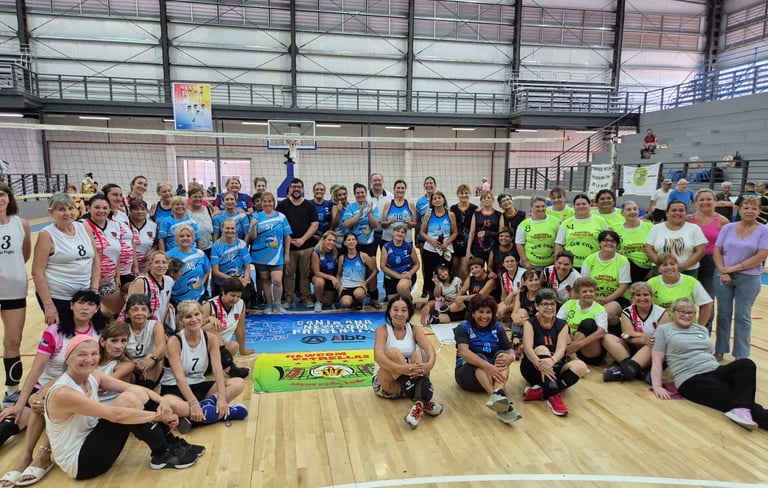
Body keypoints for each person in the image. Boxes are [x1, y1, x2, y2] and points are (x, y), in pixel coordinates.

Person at [44, 335, 202, 480]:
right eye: (82, 354)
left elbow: (134, 388)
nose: (89, 359)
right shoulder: (62, 392)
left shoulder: (93, 375)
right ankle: (162, 453)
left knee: (134, 394)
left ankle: (171, 444)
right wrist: (158, 416)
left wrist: (163, 402)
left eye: (94, 354)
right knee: (126, 401)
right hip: (80, 462)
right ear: (68, 358)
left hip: (93, 439)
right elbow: (116, 415)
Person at [0, 290, 107, 487]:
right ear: (71, 306)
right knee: (11, 422)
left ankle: (43, 455)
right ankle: (25, 456)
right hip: (43, 387)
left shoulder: (100, 331)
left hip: (74, 387)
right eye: (81, 303)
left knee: (52, 406)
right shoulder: (54, 331)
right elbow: (36, 370)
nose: (85, 308)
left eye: (91, 304)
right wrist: (19, 404)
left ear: (97, 309)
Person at [651, 298, 768, 431]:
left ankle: (741, 409)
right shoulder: (663, 330)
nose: (686, 315)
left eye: (690, 312)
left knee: (746, 364)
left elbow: (707, 353)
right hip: (691, 380)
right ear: (673, 312)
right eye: (682, 312)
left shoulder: (701, 329)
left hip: (715, 371)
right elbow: (656, 360)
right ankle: (743, 410)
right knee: (736, 399)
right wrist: (657, 387)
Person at [159, 301, 247, 427]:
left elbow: (217, 370)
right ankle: (221, 413)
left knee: (238, 383)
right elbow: (179, 378)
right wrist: (193, 403)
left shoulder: (211, 338)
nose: (194, 319)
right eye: (188, 317)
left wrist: (222, 398)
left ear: (202, 315)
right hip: (175, 388)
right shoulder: (175, 341)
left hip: (200, 385)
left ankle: (198, 416)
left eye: (196, 314)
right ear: (181, 321)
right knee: (168, 403)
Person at [372, 295, 443, 429]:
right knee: (393, 352)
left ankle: (418, 405)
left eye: (404, 310)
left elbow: (430, 351)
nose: (399, 314)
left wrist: (428, 366)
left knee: (421, 353)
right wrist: (402, 369)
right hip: (388, 384)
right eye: (395, 310)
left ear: (409, 312)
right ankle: (424, 400)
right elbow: (378, 356)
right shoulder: (383, 329)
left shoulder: (415, 329)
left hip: (410, 383)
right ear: (389, 312)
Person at [32, 193, 99, 328]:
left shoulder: (84, 227)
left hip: (84, 296)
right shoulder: (46, 235)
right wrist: (48, 305)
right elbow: (37, 272)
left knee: (88, 333)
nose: (68, 213)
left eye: (71, 208)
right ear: (51, 212)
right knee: (63, 334)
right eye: (62, 209)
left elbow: (96, 259)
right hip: (58, 297)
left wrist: (94, 290)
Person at [713, 195, 768, 360]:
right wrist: (723, 271)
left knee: (742, 316)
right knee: (723, 313)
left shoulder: (764, 230)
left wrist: (732, 269)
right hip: (723, 276)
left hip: (748, 279)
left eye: (754, 208)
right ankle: (720, 350)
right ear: (740, 209)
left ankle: (741, 355)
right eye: (746, 208)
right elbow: (717, 251)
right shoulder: (727, 227)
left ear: (759, 211)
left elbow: (761, 256)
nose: (749, 211)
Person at [453, 294, 521, 424]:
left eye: (488, 312)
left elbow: (510, 349)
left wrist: (511, 357)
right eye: (481, 312)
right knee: (479, 357)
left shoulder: (498, 327)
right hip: (468, 376)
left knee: (502, 355)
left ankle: (498, 392)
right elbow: (464, 353)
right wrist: (487, 366)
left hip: (492, 376)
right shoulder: (463, 328)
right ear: (473, 313)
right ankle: (495, 395)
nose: (485, 316)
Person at [520, 289, 587, 416]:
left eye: (552, 304)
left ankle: (542, 392)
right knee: (541, 348)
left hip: (554, 365)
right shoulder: (530, 323)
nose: (549, 307)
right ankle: (553, 396)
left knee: (581, 366)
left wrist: (551, 361)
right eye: (545, 304)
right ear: (537, 306)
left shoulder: (562, 324)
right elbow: (528, 349)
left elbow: (561, 349)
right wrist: (542, 364)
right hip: (533, 367)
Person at [0, 183, 31, 408]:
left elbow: (25, 254)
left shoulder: (22, 224)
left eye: (2, 194)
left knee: (13, 341)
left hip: (14, 291)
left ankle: (12, 391)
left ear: (9, 198)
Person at [602, 282, 669, 382]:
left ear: (651, 296)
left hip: (652, 352)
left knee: (653, 343)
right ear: (633, 297)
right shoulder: (627, 311)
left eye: (646, 294)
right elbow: (627, 335)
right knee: (606, 337)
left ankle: (624, 371)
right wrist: (643, 338)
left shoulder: (662, 313)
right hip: (632, 348)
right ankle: (638, 372)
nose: (642, 298)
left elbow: (658, 339)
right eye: (638, 295)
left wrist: (638, 337)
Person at [689, 189, 729, 331]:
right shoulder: (687, 220)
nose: (705, 202)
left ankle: (704, 333)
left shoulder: (723, 221)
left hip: (711, 262)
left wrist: (724, 269)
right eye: (702, 199)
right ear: (696, 202)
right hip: (689, 261)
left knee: (707, 299)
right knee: (685, 298)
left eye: (708, 199)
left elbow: (727, 247)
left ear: (715, 201)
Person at [277, 178, 319, 310]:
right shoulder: (282, 205)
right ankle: (289, 298)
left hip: (306, 246)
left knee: (305, 274)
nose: (296, 189)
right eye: (293, 187)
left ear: (303, 189)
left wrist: (302, 239)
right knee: (288, 274)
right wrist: (289, 239)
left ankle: (306, 297)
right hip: (288, 247)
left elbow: (314, 225)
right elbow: (279, 224)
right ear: (289, 189)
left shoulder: (309, 206)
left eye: (299, 187)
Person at [580, 230, 631, 334]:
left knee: (604, 313)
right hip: (593, 297)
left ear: (617, 245)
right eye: (605, 240)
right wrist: (593, 298)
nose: (609, 243)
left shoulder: (623, 260)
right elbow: (584, 284)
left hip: (617, 298)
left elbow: (623, 287)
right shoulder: (589, 259)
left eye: (613, 241)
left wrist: (606, 299)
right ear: (599, 243)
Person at [248, 192, 291, 314]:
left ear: (273, 202)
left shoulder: (281, 217)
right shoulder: (256, 217)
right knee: (265, 279)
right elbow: (252, 237)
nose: (267, 203)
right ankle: (269, 304)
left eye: (269, 201)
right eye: (264, 201)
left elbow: (287, 237)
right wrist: (252, 227)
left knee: (277, 280)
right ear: (261, 203)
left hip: (277, 255)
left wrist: (286, 254)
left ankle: (278, 304)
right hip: (260, 254)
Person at [201, 278, 253, 377]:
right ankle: (229, 366)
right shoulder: (209, 305)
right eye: (232, 295)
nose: (235, 299)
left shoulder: (240, 304)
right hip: (202, 347)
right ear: (223, 292)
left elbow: (240, 328)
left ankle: (211, 367)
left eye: (238, 296)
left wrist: (243, 350)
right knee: (212, 326)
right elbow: (192, 328)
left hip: (218, 349)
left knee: (234, 346)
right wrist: (208, 319)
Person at [647, 253, 713, 326]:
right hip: (661, 327)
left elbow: (707, 304)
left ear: (677, 266)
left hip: (687, 328)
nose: (669, 267)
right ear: (659, 269)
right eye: (664, 265)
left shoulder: (691, 282)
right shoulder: (651, 283)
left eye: (672, 264)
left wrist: (700, 327)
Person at [343, 183, 381, 308]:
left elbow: (376, 225)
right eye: (357, 193)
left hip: (368, 245)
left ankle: (374, 297)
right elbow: (347, 224)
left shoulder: (373, 206)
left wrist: (369, 214)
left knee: (372, 270)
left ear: (366, 193)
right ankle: (355, 297)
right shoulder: (351, 207)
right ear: (355, 194)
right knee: (355, 271)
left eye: (362, 192)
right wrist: (359, 215)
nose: (360, 195)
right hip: (354, 245)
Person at [646, 200, 707, 278]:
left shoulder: (694, 228)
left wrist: (682, 267)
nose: (677, 213)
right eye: (674, 210)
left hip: (688, 272)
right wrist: (663, 265)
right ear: (667, 213)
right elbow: (648, 249)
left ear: (686, 213)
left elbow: (701, 251)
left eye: (681, 210)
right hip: (661, 271)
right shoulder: (656, 228)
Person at [426, 258, 496, 325]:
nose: (474, 270)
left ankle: (442, 311)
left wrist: (462, 298)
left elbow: (479, 296)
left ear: (483, 268)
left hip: (486, 306)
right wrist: (458, 298)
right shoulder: (471, 278)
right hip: (473, 305)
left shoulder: (490, 281)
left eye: (476, 267)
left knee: (463, 305)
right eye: (472, 269)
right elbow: (462, 290)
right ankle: (436, 318)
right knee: (461, 312)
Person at [557, 278, 609, 366]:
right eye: (584, 291)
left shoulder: (600, 309)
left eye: (591, 291)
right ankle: (575, 359)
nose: (589, 294)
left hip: (588, 350)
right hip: (570, 346)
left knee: (588, 323)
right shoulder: (569, 304)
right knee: (562, 326)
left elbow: (601, 332)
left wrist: (578, 344)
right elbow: (557, 324)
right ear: (578, 293)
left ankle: (570, 357)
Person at [124, 250, 175, 333]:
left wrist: (160, 327)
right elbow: (132, 308)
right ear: (150, 264)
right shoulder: (141, 281)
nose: (161, 266)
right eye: (157, 262)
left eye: (164, 262)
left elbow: (165, 306)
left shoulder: (169, 281)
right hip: (138, 326)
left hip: (156, 326)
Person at [419, 191, 457, 300]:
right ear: (431, 202)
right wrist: (431, 240)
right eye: (434, 198)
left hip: (445, 249)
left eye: (439, 198)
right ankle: (432, 297)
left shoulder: (450, 214)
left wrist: (447, 243)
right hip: (430, 249)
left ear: (444, 200)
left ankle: (446, 298)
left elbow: (455, 232)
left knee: (445, 273)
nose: (437, 200)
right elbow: (422, 232)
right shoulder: (428, 215)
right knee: (430, 275)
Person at [123, 294, 166, 389]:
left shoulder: (155, 325)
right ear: (127, 313)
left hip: (151, 365)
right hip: (131, 364)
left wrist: (151, 360)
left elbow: (162, 346)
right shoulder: (123, 328)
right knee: (124, 366)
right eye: (135, 309)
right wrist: (134, 365)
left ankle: (148, 388)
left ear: (149, 313)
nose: (139, 313)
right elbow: (119, 352)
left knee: (152, 356)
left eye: (144, 309)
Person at [555, 193, 607, 268]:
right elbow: (559, 244)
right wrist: (558, 264)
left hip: (594, 264)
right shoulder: (566, 223)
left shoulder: (600, 221)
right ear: (573, 206)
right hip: (570, 266)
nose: (581, 206)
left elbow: (606, 242)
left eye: (584, 204)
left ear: (589, 205)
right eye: (578, 204)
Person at [166, 225, 211, 304]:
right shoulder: (169, 255)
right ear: (176, 238)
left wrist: (201, 283)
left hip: (198, 298)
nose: (185, 238)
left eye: (188, 236)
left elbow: (207, 270)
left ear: (193, 238)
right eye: (181, 236)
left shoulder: (200, 253)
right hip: (177, 300)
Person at [209, 219, 250, 301]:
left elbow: (247, 266)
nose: (230, 231)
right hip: (223, 282)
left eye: (232, 228)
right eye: (227, 228)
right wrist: (234, 280)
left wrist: (245, 280)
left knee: (245, 299)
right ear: (222, 229)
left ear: (236, 229)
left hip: (240, 279)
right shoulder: (216, 246)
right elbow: (216, 271)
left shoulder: (242, 244)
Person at [516, 196, 559, 271]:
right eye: (537, 207)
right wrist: (525, 261)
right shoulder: (524, 224)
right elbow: (519, 244)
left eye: (543, 206)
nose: (541, 209)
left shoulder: (556, 222)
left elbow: (559, 243)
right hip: (531, 266)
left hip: (550, 265)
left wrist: (557, 261)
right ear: (531, 208)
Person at [380, 223, 420, 302]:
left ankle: (409, 304)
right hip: (391, 277)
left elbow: (417, 264)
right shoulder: (386, 247)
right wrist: (398, 276)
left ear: (405, 235)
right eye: (398, 231)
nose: (400, 234)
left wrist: (410, 273)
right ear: (393, 232)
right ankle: (404, 295)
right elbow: (382, 266)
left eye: (402, 232)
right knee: (393, 302)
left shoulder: (409, 246)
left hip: (406, 276)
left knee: (402, 287)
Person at [337, 233, 378, 310]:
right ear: (345, 243)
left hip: (359, 286)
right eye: (349, 240)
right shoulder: (342, 258)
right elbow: (338, 274)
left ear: (356, 242)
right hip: (346, 286)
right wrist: (339, 286)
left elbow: (375, 270)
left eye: (353, 239)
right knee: (345, 303)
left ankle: (358, 301)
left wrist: (365, 283)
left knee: (359, 294)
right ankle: (353, 302)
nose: (351, 242)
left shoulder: (363, 256)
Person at [616, 201, 653, 282]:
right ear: (622, 213)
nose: (632, 212)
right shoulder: (616, 229)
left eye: (635, 209)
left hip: (648, 268)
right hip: (628, 268)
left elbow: (657, 248)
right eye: (629, 209)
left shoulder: (649, 226)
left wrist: (653, 269)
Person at [450, 184, 477, 280]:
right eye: (461, 193)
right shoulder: (453, 209)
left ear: (469, 194)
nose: (464, 195)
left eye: (466, 193)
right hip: (454, 243)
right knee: (454, 271)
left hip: (468, 244)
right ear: (457, 194)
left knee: (464, 272)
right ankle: (455, 289)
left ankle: (464, 288)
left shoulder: (474, 209)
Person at [415, 177, 437, 298]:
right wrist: (415, 236)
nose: (429, 185)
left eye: (431, 183)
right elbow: (417, 221)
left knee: (437, 264)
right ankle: (426, 286)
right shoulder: (420, 202)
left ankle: (437, 288)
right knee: (425, 263)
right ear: (424, 185)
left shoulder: (440, 198)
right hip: (423, 237)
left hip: (437, 239)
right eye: (427, 183)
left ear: (435, 185)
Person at [466, 190, 501, 263]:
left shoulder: (499, 215)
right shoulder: (476, 214)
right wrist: (468, 250)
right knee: (477, 268)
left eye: (489, 197)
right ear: (481, 201)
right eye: (484, 198)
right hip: (478, 248)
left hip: (493, 248)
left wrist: (487, 233)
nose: (486, 199)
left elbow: (501, 233)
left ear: (492, 200)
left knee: (492, 269)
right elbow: (472, 233)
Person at [380, 179, 416, 245]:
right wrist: (390, 222)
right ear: (394, 189)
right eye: (398, 188)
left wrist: (408, 222)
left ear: (405, 190)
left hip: (406, 240)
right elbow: (382, 224)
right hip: (389, 240)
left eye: (402, 188)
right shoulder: (388, 204)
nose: (400, 190)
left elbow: (414, 224)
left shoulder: (410, 204)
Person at [311, 231, 340, 311]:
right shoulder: (316, 252)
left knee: (328, 302)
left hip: (332, 280)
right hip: (320, 276)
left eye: (334, 241)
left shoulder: (336, 252)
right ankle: (318, 301)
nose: (331, 242)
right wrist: (332, 278)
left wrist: (337, 279)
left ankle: (318, 294)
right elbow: (316, 272)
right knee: (320, 282)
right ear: (323, 240)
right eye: (329, 240)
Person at [127, 198, 156, 273]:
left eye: (143, 209)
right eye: (136, 209)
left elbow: (158, 243)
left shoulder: (153, 226)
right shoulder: (124, 225)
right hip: (127, 266)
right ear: (130, 211)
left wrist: (152, 250)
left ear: (147, 211)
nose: (140, 212)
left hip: (147, 265)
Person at [496, 254, 526, 322]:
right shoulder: (503, 275)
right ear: (503, 264)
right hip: (511, 301)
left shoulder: (524, 272)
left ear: (517, 262)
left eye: (512, 261)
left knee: (502, 310)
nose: (510, 263)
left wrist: (512, 294)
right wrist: (503, 303)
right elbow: (503, 295)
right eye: (507, 261)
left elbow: (526, 289)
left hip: (521, 300)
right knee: (496, 309)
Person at [186, 184, 214, 258]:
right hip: (192, 250)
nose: (198, 199)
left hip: (209, 248)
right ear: (189, 197)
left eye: (200, 197)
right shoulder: (186, 212)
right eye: (195, 197)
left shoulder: (207, 209)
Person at [368, 173, 393, 248]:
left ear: (382, 181)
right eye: (375, 180)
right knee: (371, 254)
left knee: (386, 253)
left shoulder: (390, 196)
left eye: (379, 180)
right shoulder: (366, 196)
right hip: (370, 232)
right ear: (371, 182)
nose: (377, 182)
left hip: (386, 232)